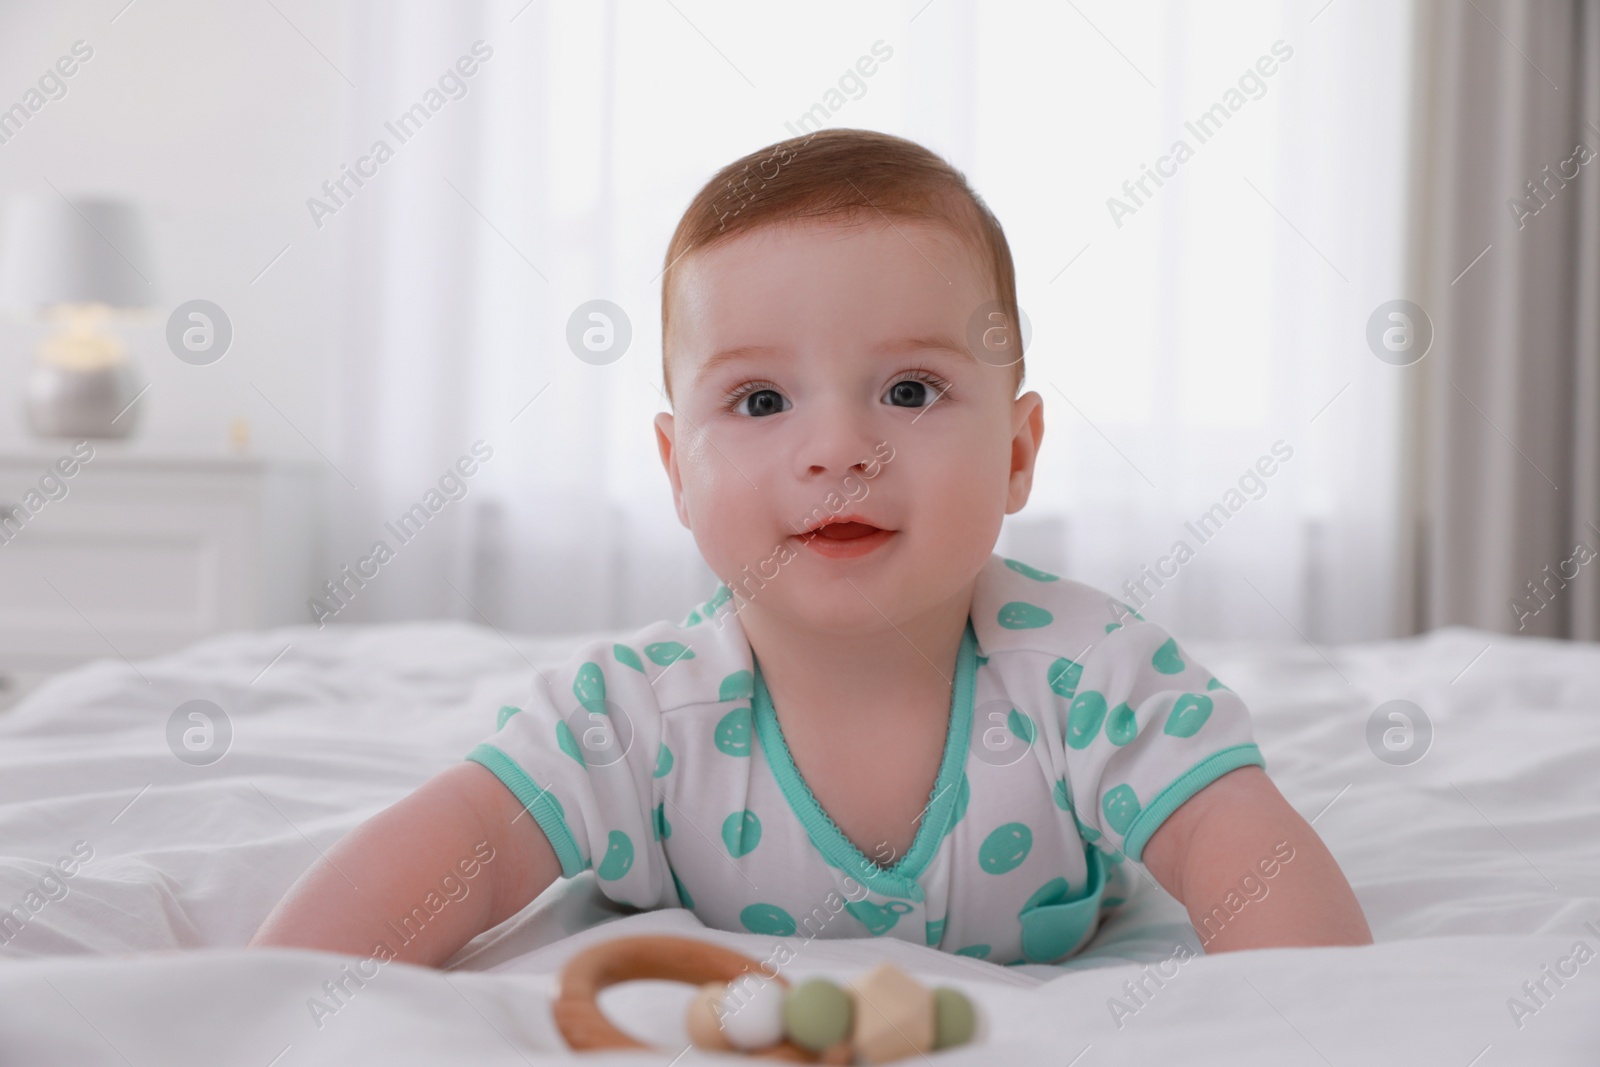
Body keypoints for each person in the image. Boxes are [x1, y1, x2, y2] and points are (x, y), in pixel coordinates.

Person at [250, 128, 1371, 969]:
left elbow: (1243, 852)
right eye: (759, 399)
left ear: (1020, 448)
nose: (839, 449)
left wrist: (1312, 1016)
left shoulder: (1090, 674)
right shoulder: (638, 714)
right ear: (675, 469)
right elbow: (467, 842)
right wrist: (268, 997)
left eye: (910, 388)